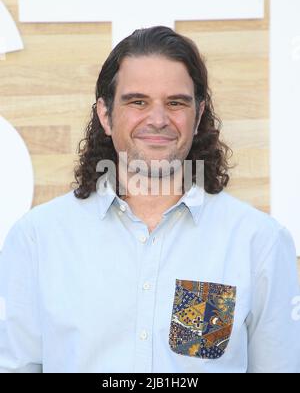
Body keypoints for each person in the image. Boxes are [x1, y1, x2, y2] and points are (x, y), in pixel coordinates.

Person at [0, 26, 299, 373]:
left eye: (175, 103)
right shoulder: (38, 239)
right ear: (105, 115)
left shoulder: (258, 242)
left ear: (198, 115)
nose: (158, 119)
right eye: (137, 101)